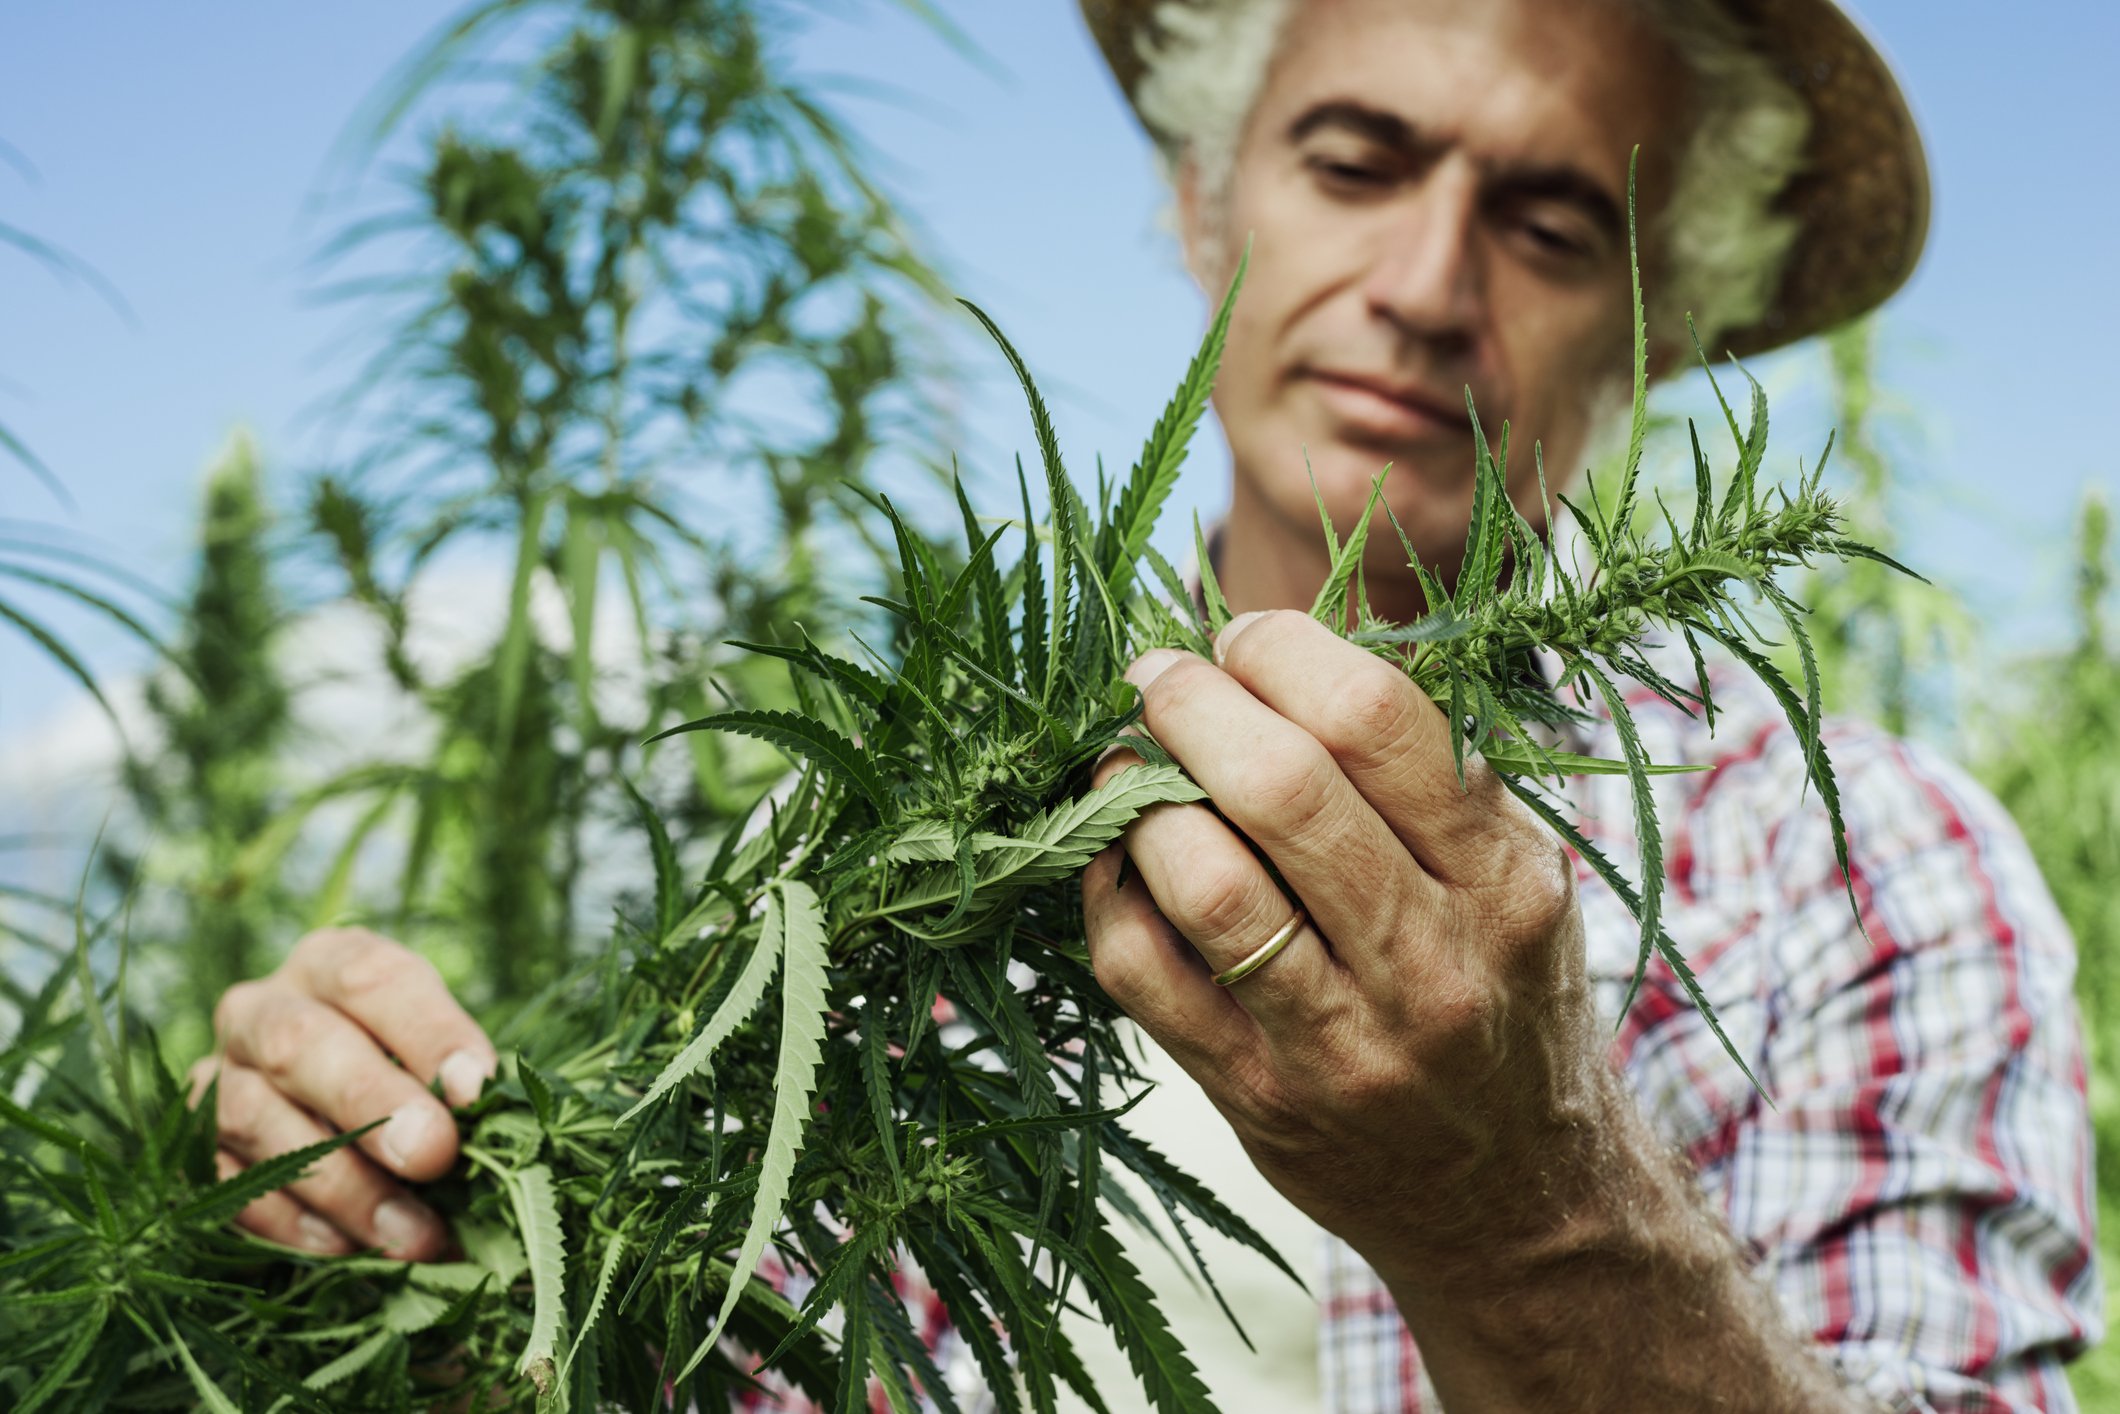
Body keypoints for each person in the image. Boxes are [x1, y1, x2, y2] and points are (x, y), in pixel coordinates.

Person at [191, 0, 2101, 1409]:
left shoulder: (1871, 874)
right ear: (1207, 202)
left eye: (1546, 222)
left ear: (1662, 320)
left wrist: (1531, 1215)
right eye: (1354, 162)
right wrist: (455, 1246)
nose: (1427, 285)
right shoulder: (883, 840)